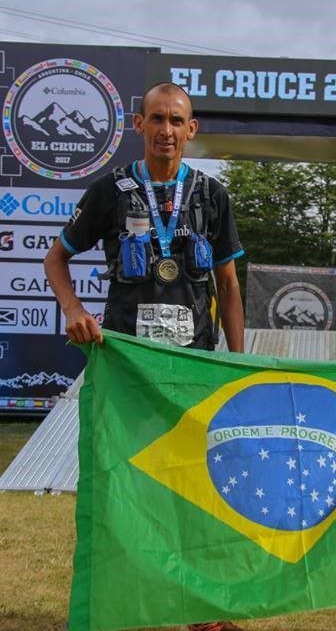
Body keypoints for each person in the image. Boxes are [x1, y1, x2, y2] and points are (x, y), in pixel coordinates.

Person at [44, 82, 245, 631]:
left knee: (198, 488)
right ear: (139, 124)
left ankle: (202, 610)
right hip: (128, 370)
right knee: (124, 485)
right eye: (156, 119)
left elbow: (229, 285)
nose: (166, 131)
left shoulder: (212, 195)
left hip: (194, 367)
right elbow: (55, 259)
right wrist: (73, 310)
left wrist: (238, 362)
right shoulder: (110, 191)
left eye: (177, 121)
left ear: (191, 129)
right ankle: (121, 603)